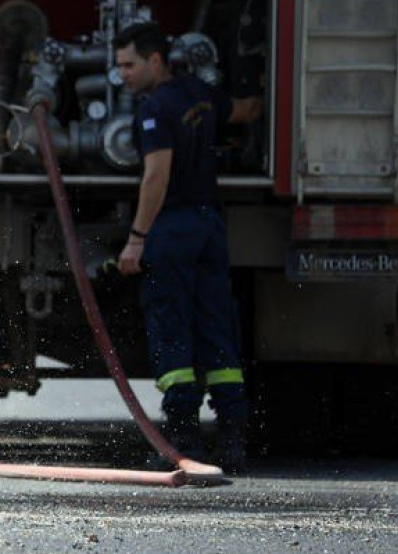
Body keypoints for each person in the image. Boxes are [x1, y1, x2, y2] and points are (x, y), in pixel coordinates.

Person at [113, 22, 262, 473]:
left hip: (173, 228)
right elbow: (248, 110)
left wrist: (136, 239)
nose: (122, 74)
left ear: (155, 60)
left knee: (172, 327)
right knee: (217, 324)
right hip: (209, 225)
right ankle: (234, 436)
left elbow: (156, 176)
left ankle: (182, 439)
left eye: (129, 65)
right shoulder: (199, 93)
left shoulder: (155, 109)